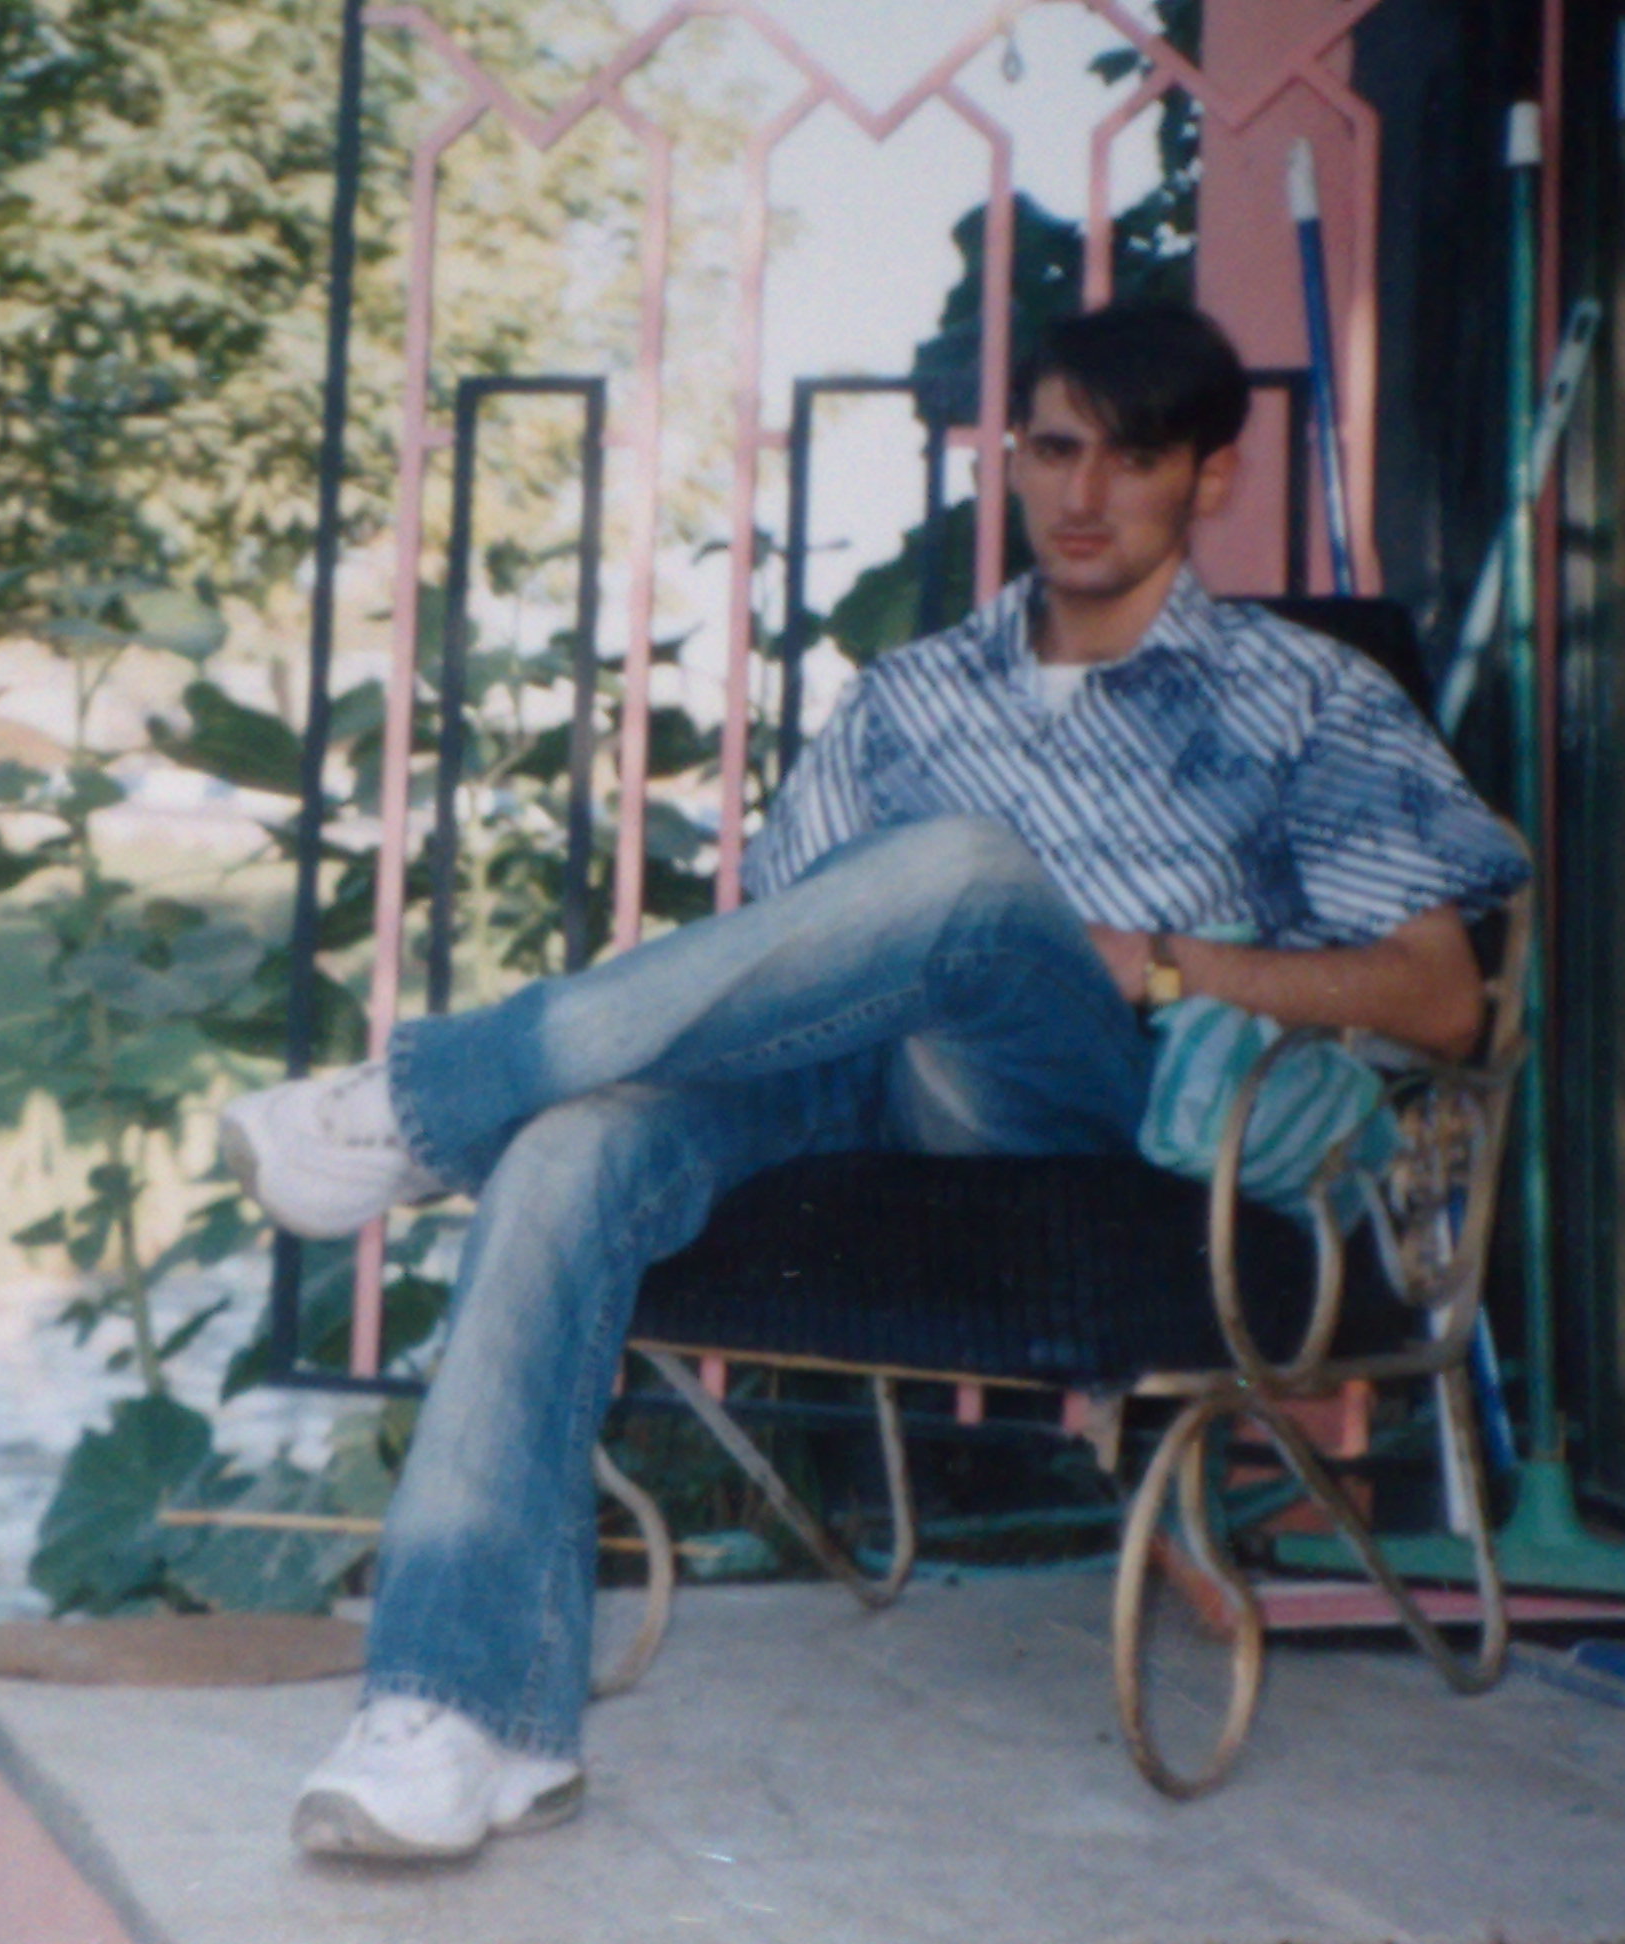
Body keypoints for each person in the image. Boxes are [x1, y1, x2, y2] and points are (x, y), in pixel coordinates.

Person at [218, 302, 1528, 1861]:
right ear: (1010, 458)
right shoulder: (909, 694)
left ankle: (427, 1106)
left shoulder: (1307, 695)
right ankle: (461, 1718)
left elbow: (1443, 999)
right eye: (1056, 448)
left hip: (1089, 1097)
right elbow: (771, 958)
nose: (1085, 493)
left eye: (1135, 457)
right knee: (571, 1153)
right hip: (852, 1084)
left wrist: (1165, 963)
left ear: (1212, 478)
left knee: (964, 874)